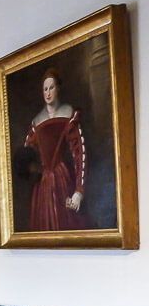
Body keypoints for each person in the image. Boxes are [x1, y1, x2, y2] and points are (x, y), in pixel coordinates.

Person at [23, 68, 88, 231]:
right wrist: (33, 170)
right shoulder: (36, 122)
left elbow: (79, 154)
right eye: (45, 89)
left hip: (62, 181)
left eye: (51, 87)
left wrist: (78, 191)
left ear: (58, 88)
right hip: (42, 186)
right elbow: (26, 156)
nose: (48, 92)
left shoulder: (68, 115)